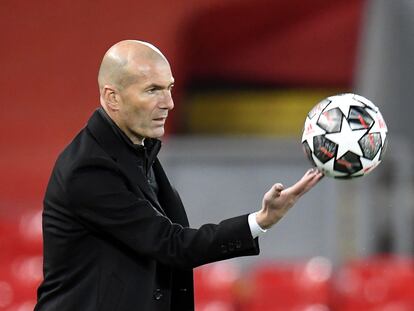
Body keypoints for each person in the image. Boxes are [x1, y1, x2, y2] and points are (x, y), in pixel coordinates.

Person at [34, 40, 323, 311]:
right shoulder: (88, 170)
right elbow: (173, 244)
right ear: (113, 98)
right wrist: (260, 221)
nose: (169, 103)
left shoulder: (138, 151)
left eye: (169, 88)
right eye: (152, 90)